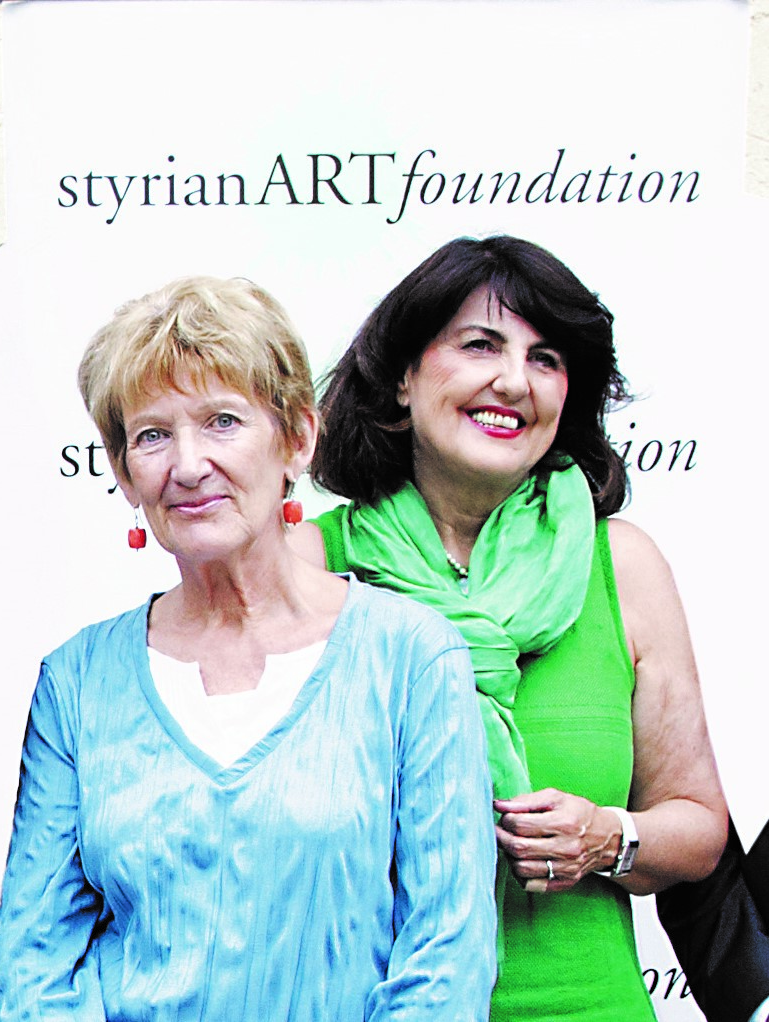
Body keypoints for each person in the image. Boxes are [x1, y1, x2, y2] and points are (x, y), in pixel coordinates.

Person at [0, 275, 497, 1021]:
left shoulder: (412, 659)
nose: (188, 465)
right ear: (124, 473)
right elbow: (30, 965)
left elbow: (446, 962)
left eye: (222, 421)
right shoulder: (77, 681)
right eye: (152, 436)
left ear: (297, 439)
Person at [295, 236, 728, 1021]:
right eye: (478, 345)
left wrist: (607, 836)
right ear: (401, 377)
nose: (512, 380)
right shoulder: (308, 567)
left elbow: (696, 827)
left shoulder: (620, 565)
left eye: (545, 358)